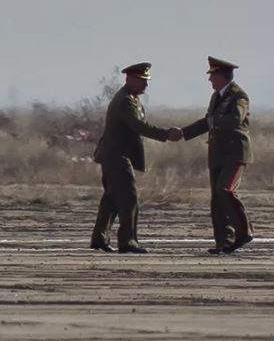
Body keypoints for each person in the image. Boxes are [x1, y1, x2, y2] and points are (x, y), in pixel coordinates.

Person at [90, 62, 183, 253]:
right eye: (142, 80)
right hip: (116, 156)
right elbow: (139, 126)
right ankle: (128, 241)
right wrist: (166, 134)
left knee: (111, 199)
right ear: (130, 79)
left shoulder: (131, 99)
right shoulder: (125, 101)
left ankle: (100, 238)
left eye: (146, 81)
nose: (146, 85)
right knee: (128, 198)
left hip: (115, 155)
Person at [179, 57, 253, 254]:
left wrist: (214, 121)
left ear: (222, 76)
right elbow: (207, 121)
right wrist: (183, 133)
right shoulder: (216, 97)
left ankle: (244, 232)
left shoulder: (239, 96)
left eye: (212, 76)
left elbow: (235, 119)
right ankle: (224, 242)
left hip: (235, 153)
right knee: (217, 199)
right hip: (218, 154)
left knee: (225, 190)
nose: (210, 80)